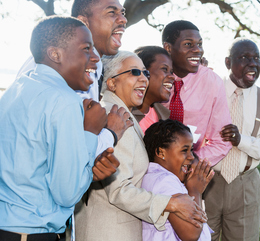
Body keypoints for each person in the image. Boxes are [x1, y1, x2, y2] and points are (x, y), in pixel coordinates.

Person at [75, 51, 207, 241]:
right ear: (112, 83)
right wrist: (171, 203)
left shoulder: (123, 115)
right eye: (134, 72)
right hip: (108, 232)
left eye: (145, 73)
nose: (144, 79)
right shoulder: (114, 118)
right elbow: (119, 190)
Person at [0, 16, 111, 241]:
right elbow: (67, 193)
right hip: (33, 233)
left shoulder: (16, 89)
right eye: (86, 48)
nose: (96, 57)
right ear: (55, 54)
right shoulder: (64, 101)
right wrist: (89, 132)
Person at [16, 0, 132, 157]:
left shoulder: (50, 56)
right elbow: (72, 151)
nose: (123, 19)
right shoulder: (73, 65)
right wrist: (112, 132)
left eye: (122, 13)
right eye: (112, 12)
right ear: (83, 21)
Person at [203, 39, 260, 241]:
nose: (253, 63)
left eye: (256, 58)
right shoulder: (209, 89)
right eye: (244, 57)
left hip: (245, 184)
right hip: (205, 179)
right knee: (200, 237)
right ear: (227, 62)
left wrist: (243, 141)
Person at [162, 20, 232, 166]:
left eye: (199, 44)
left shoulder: (212, 82)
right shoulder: (152, 75)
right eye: (188, 44)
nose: (197, 50)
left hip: (189, 169)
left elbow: (221, 142)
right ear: (168, 47)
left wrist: (190, 162)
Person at [142, 119, 214, 241]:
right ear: (160, 152)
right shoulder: (164, 181)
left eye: (191, 150)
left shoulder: (159, 177)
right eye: (184, 150)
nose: (191, 157)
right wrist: (195, 191)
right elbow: (191, 234)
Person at [132, 46, 174, 132]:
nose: (172, 76)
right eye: (164, 69)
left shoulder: (164, 117)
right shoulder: (124, 117)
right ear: (143, 72)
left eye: (171, 72)